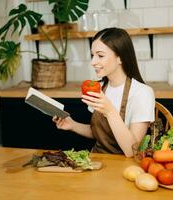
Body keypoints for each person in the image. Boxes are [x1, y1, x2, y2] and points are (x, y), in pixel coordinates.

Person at [53, 27, 155, 157]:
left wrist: (110, 111)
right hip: (97, 160)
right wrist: (72, 125)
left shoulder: (142, 93)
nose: (93, 62)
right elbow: (98, 133)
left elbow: (132, 151)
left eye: (100, 55)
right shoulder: (99, 88)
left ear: (120, 58)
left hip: (126, 166)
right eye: (92, 55)